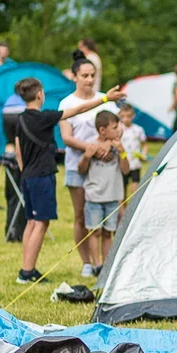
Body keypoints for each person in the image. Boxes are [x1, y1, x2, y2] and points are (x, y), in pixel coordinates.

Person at [13, 77, 120, 284]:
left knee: (31, 222)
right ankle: (27, 272)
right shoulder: (44, 117)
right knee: (41, 223)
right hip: (42, 176)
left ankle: (27, 267)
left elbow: (18, 150)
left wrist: (23, 171)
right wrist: (106, 98)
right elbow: (77, 110)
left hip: (27, 175)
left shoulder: (21, 119)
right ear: (39, 95)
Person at [59, 57, 120, 278]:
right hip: (78, 165)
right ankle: (87, 262)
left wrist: (107, 146)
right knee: (81, 216)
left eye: (92, 75)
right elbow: (66, 137)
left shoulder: (107, 101)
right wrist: (92, 148)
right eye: (84, 75)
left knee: (105, 216)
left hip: (104, 169)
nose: (89, 80)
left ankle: (104, 262)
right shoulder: (66, 104)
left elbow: (117, 129)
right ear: (74, 77)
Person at [78, 111, 129, 272]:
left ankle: (105, 266)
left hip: (113, 197)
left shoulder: (118, 146)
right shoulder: (91, 145)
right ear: (102, 130)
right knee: (95, 231)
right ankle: (96, 264)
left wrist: (122, 152)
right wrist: (87, 157)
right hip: (94, 196)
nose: (118, 130)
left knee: (108, 233)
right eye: (114, 128)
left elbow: (126, 170)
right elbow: (81, 170)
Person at [118, 103, 148, 196]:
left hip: (135, 164)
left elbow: (144, 144)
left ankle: (133, 207)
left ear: (133, 116)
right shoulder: (118, 129)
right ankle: (123, 209)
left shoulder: (138, 129)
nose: (126, 119)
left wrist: (143, 154)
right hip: (122, 164)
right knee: (122, 189)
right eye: (123, 116)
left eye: (128, 116)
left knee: (135, 188)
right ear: (119, 115)